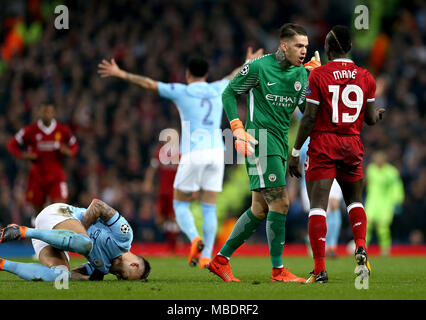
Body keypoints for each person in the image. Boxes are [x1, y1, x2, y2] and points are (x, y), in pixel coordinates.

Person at [98, 48, 263, 268]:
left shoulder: (181, 91)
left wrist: (120, 74)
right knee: (209, 207)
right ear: (206, 74)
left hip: (194, 152)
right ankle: (207, 257)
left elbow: (148, 83)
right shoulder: (217, 87)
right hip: (217, 152)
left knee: (180, 205)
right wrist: (247, 62)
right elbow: (232, 75)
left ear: (188, 74)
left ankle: (195, 239)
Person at [207, 23, 321, 283]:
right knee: (280, 203)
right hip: (260, 140)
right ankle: (278, 270)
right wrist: (236, 126)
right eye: (298, 45)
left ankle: (220, 260)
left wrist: (316, 81)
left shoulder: (301, 75)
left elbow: (307, 110)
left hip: (280, 143)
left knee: (259, 209)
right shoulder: (259, 67)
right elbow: (229, 93)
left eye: (306, 46)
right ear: (284, 45)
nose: (304, 51)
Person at [288, 25, 386, 283]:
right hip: (352, 144)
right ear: (350, 48)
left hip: (324, 144)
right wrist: (378, 115)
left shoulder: (319, 75)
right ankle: (361, 246)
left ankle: (320, 269)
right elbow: (371, 119)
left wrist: (296, 151)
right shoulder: (366, 77)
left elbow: (309, 118)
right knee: (354, 201)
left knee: (318, 207)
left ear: (328, 49)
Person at [0, 199, 151, 281]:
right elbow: (98, 205)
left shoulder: (104, 268)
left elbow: (75, 273)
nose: (119, 278)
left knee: (60, 276)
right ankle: (21, 231)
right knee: (86, 244)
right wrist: (80, 231)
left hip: (53, 236)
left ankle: (2, 264)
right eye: (124, 277)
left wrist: (77, 277)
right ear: (134, 265)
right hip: (59, 214)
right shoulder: (124, 236)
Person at [6, 103, 78, 216]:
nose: (46, 114)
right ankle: (36, 227)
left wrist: (68, 152)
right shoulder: (30, 130)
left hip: (56, 174)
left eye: (49, 111)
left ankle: (58, 229)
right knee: (38, 212)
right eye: (44, 111)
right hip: (37, 175)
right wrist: (23, 155)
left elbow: (74, 146)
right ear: (39, 113)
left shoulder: (62, 130)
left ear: (54, 113)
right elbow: (11, 144)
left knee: (61, 209)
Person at [299, 138, 343, 258]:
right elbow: (300, 165)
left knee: (334, 208)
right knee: (322, 213)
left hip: (332, 178)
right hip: (312, 181)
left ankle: (330, 247)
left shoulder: (331, 134)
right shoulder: (305, 143)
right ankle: (318, 242)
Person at [142, 137, 180, 253]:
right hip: (162, 192)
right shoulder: (159, 153)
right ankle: (171, 243)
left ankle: (173, 247)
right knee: (160, 220)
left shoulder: (180, 154)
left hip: (176, 192)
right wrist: (148, 181)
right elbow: (152, 169)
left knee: (173, 219)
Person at [365, 151, 404, 256]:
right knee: (367, 224)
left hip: (385, 202)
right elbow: (368, 182)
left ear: (384, 160)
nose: (378, 162)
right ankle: (363, 247)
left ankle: (385, 248)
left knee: (383, 227)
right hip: (372, 200)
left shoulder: (391, 172)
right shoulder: (371, 169)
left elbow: (397, 186)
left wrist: (397, 199)